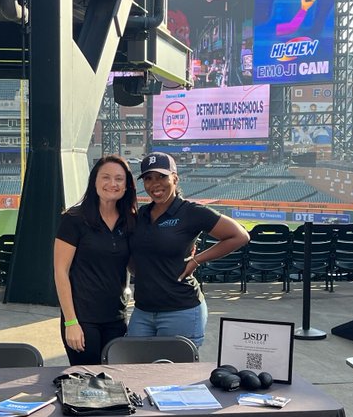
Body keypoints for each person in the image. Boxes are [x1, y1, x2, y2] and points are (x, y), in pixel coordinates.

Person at [127, 152, 250, 348]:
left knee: (175, 375)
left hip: (180, 309)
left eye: (161, 176)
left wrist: (196, 260)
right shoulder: (140, 215)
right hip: (142, 310)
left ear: (175, 178)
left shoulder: (191, 212)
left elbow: (240, 236)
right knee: (133, 370)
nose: (154, 184)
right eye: (148, 178)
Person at [53, 155, 138, 365]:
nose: (112, 184)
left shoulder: (130, 220)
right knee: (87, 384)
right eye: (106, 177)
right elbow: (60, 272)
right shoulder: (74, 219)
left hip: (116, 317)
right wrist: (71, 322)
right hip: (83, 319)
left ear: (126, 186)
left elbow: (134, 265)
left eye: (119, 179)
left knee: (116, 381)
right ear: (94, 181)